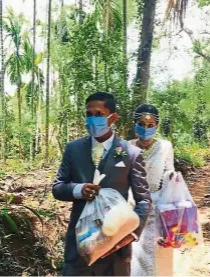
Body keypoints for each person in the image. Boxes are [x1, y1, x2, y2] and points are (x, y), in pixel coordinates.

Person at [52, 92, 152, 276]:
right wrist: (78, 190)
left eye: (98, 114)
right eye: (89, 114)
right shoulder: (73, 149)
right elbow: (58, 187)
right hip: (80, 244)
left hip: (116, 246)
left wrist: (131, 233)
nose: (92, 119)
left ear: (113, 118)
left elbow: (144, 199)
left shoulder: (130, 153)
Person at [129, 104, 175, 276]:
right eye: (141, 124)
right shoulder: (125, 147)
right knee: (132, 258)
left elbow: (168, 174)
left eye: (150, 125)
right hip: (131, 210)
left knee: (157, 256)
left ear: (156, 125)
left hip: (156, 209)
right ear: (134, 124)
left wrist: (173, 178)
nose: (145, 128)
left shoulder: (165, 147)